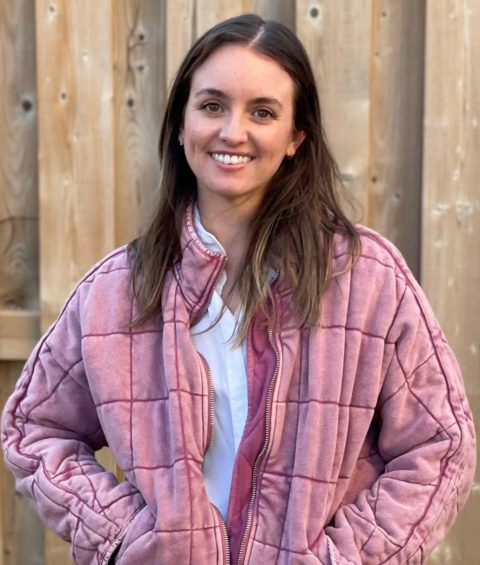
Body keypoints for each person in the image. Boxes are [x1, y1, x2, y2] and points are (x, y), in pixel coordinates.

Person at [1, 13, 476, 565]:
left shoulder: (369, 281)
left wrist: (346, 559)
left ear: (296, 136)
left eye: (263, 112)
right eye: (211, 106)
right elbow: (35, 429)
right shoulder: (116, 292)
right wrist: (128, 538)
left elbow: (441, 447)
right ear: (181, 125)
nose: (232, 132)